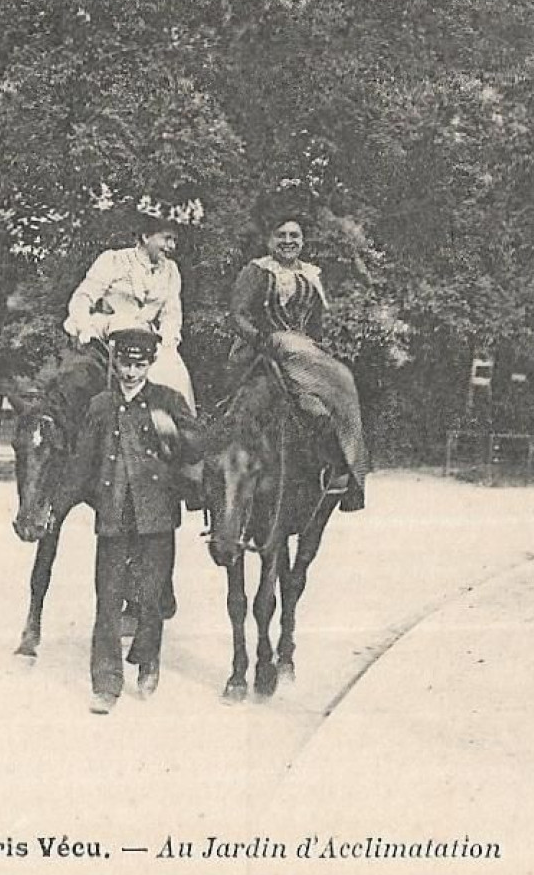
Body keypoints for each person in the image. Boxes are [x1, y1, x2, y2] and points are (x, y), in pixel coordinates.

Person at [51, 325, 204, 714]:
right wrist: (57, 505)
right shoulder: (101, 405)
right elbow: (82, 461)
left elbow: (197, 448)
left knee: (151, 600)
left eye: (139, 364)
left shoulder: (168, 400)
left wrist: (174, 432)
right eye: (124, 363)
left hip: (156, 515)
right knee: (107, 600)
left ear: (151, 364)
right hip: (115, 514)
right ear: (116, 362)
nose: (131, 372)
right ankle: (105, 684)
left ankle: (148, 659)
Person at [228, 216, 368, 512]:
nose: (288, 241)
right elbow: (238, 315)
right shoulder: (257, 271)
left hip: (303, 353)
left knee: (341, 387)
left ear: (303, 241)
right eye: (281, 235)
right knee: (235, 410)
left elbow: (315, 323)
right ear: (268, 239)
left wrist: (317, 350)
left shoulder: (311, 274)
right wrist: (261, 339)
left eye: (295, 235)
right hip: (261, 350)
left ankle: (345, 469)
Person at [64, 212, 197, 411]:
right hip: (108, 335)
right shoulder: (113, 260)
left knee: (174, 372)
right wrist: (85, 330)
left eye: (174, 241)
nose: (172, 247)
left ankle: (174, 432)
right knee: (81, 379)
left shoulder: (171, 270)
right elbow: (83, 297)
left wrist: (168, 342)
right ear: (146, 237)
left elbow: (172, 313)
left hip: (147, 337)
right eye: (167, 239)